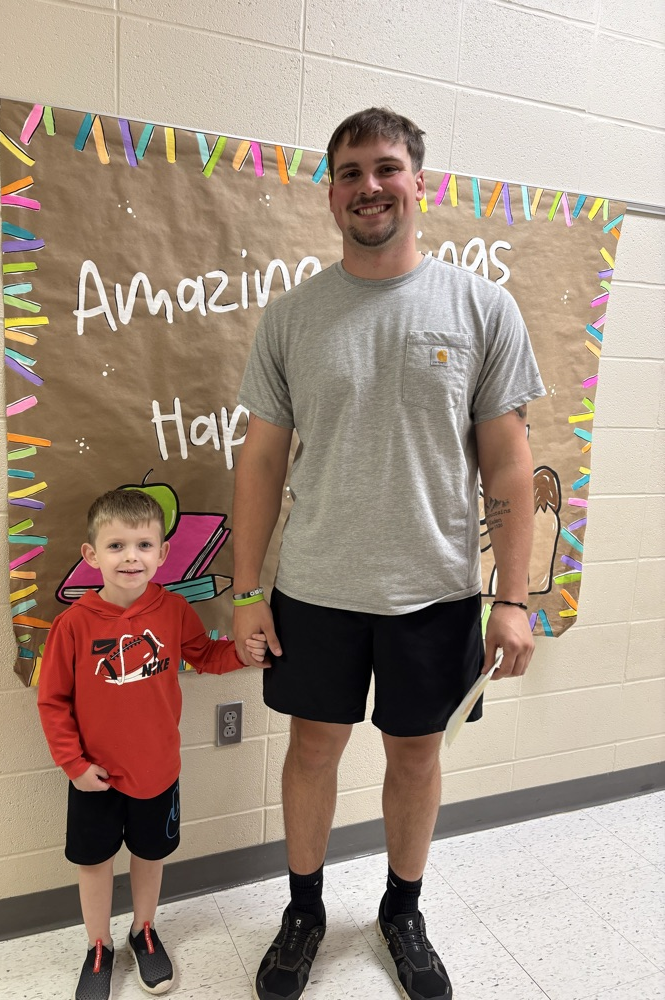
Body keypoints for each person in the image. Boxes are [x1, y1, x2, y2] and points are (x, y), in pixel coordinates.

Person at [232, 107, 545, 1000]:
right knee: (313, 749)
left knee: (415, 758)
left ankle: (402, 911)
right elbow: (258, 459)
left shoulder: (481, 308)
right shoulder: (293, 316)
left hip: (435, 591)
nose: (368, 187)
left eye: (385, 168)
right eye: (349, 173)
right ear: (330, 193)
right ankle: (303, 912)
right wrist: (246, 589)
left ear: (420, 182)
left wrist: (513, 598)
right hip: (318, 587)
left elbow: (510, 465)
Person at [38, 488, 267, 1000]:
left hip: (157, 770)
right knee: (94, 861)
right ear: (91, 555)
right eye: (116, 546)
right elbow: (52, 702)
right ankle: (98, 947)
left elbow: (206, 655)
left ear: (163, 553)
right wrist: (72, 764)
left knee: (150, 853)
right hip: (93, 776)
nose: (131, 557)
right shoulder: (71, 626)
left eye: (143, 545)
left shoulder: (173, 609)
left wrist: (246, 655)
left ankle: (144, 930)